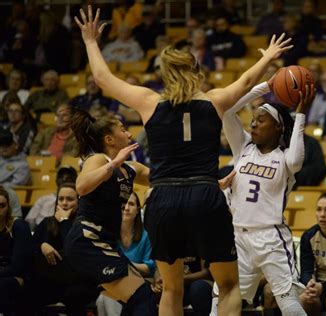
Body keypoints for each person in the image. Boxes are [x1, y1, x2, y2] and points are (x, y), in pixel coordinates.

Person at [73, 6, 292, 315]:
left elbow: (103, 79)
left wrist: (91, 41)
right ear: (196, 71)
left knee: (172, 289)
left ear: (165, 74)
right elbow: (245, 82)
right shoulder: (214, 100)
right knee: (229, 286)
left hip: (162, 198)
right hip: (204, 195)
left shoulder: (149, 102)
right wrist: (268, 57)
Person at [211, 77, 314, 316]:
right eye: (252, 120)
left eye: (260, 120)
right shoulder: (243, 148)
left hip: (271, 237)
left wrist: (300, 116)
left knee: (287, 302)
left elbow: (298, 160)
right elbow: (227, 109)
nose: (253, 125)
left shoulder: (285, 158)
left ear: (278, 127)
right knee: (221, 300)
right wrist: (267, 86)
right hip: (237, 236)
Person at [63, 109, 156, 315]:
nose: (130, 134)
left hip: (104, 243)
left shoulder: (132, 168)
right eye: (123, 130)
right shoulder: (97, 160)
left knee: (140, 297)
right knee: (141, 296)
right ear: (109, 139)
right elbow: (82, 187)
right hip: (86, 241)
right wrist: (113, 163)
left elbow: (163, 177)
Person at [31, 182, 100, 314]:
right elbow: (31, 247)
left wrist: (64, 221)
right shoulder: (47, 222)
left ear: (79, 202)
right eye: (61, 199)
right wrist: (42, 245)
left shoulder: (86, 224)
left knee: (74, 293)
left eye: (70, 199)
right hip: (51, 280)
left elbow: (73, 248)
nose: (64, 203)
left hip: (77, 281)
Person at [96, 192, 156, 316]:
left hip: (141, 283)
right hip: (113, 282)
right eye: (123, 205)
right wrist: (129, 266)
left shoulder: (146, 235)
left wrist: (124, 264)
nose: (126, 208)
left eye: (131, 204)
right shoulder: (109, 234)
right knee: (104, 297)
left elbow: (149, 268)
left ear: (138, 210)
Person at [0, 185, 33, 313]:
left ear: (8, 207)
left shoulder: (18, 226)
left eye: (2, 206)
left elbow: (18, 267)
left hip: (19, 278)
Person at [25, 166, 78, 231]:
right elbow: (30, 219)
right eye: (61, 177)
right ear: (56, 180)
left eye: (69, 177)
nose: (64, 179)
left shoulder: (81, 203)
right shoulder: (43, 199)